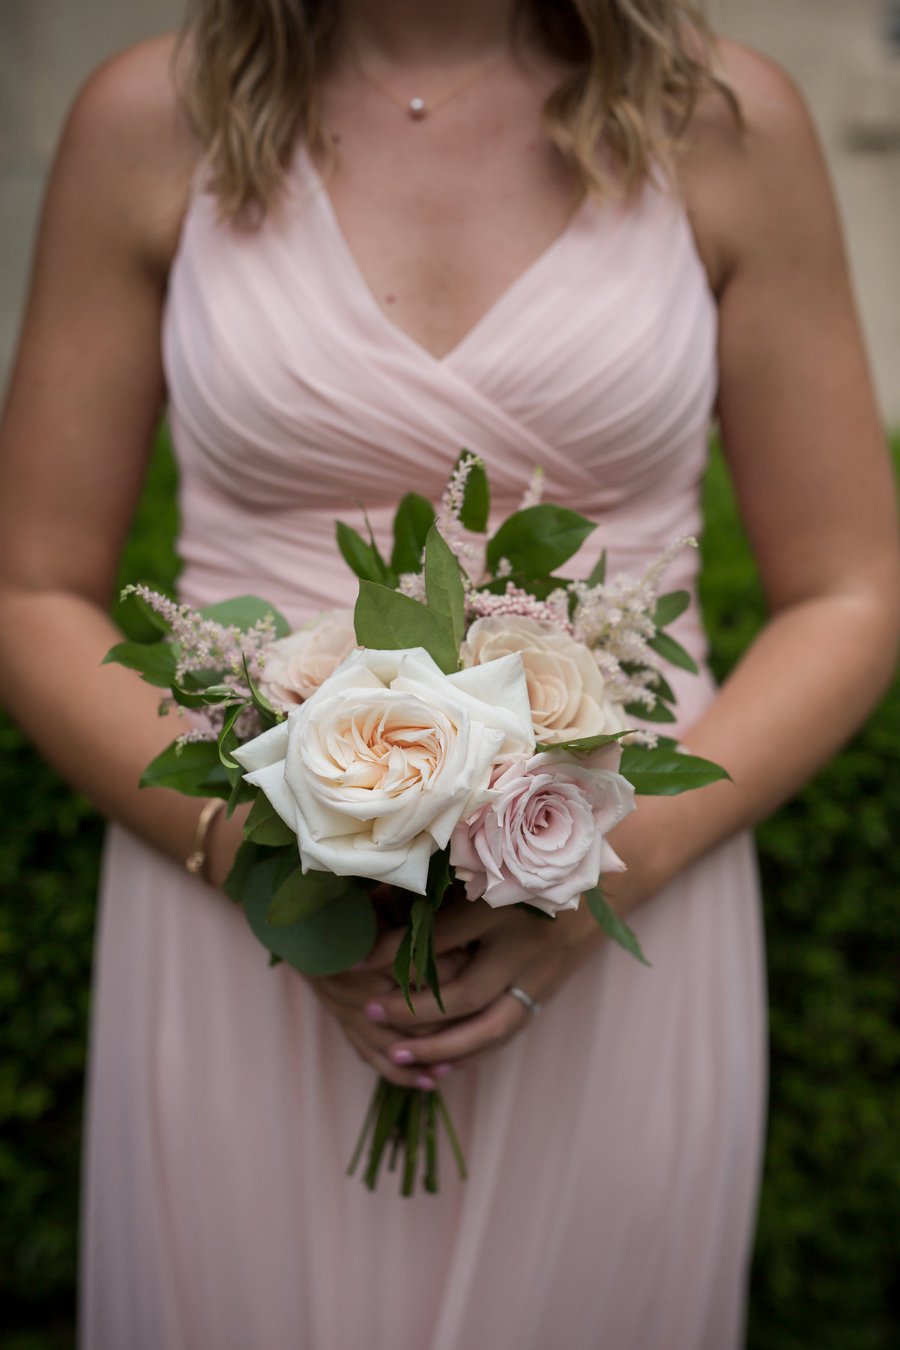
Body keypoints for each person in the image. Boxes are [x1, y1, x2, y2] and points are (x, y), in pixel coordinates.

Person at [0, 2, 897, 1347]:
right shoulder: (151, 119)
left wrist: (608, 867)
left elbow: (852, 587)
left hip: (613, 918)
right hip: (239, 926)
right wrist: (267, 854)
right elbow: (30, 589)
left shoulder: (720, 120)